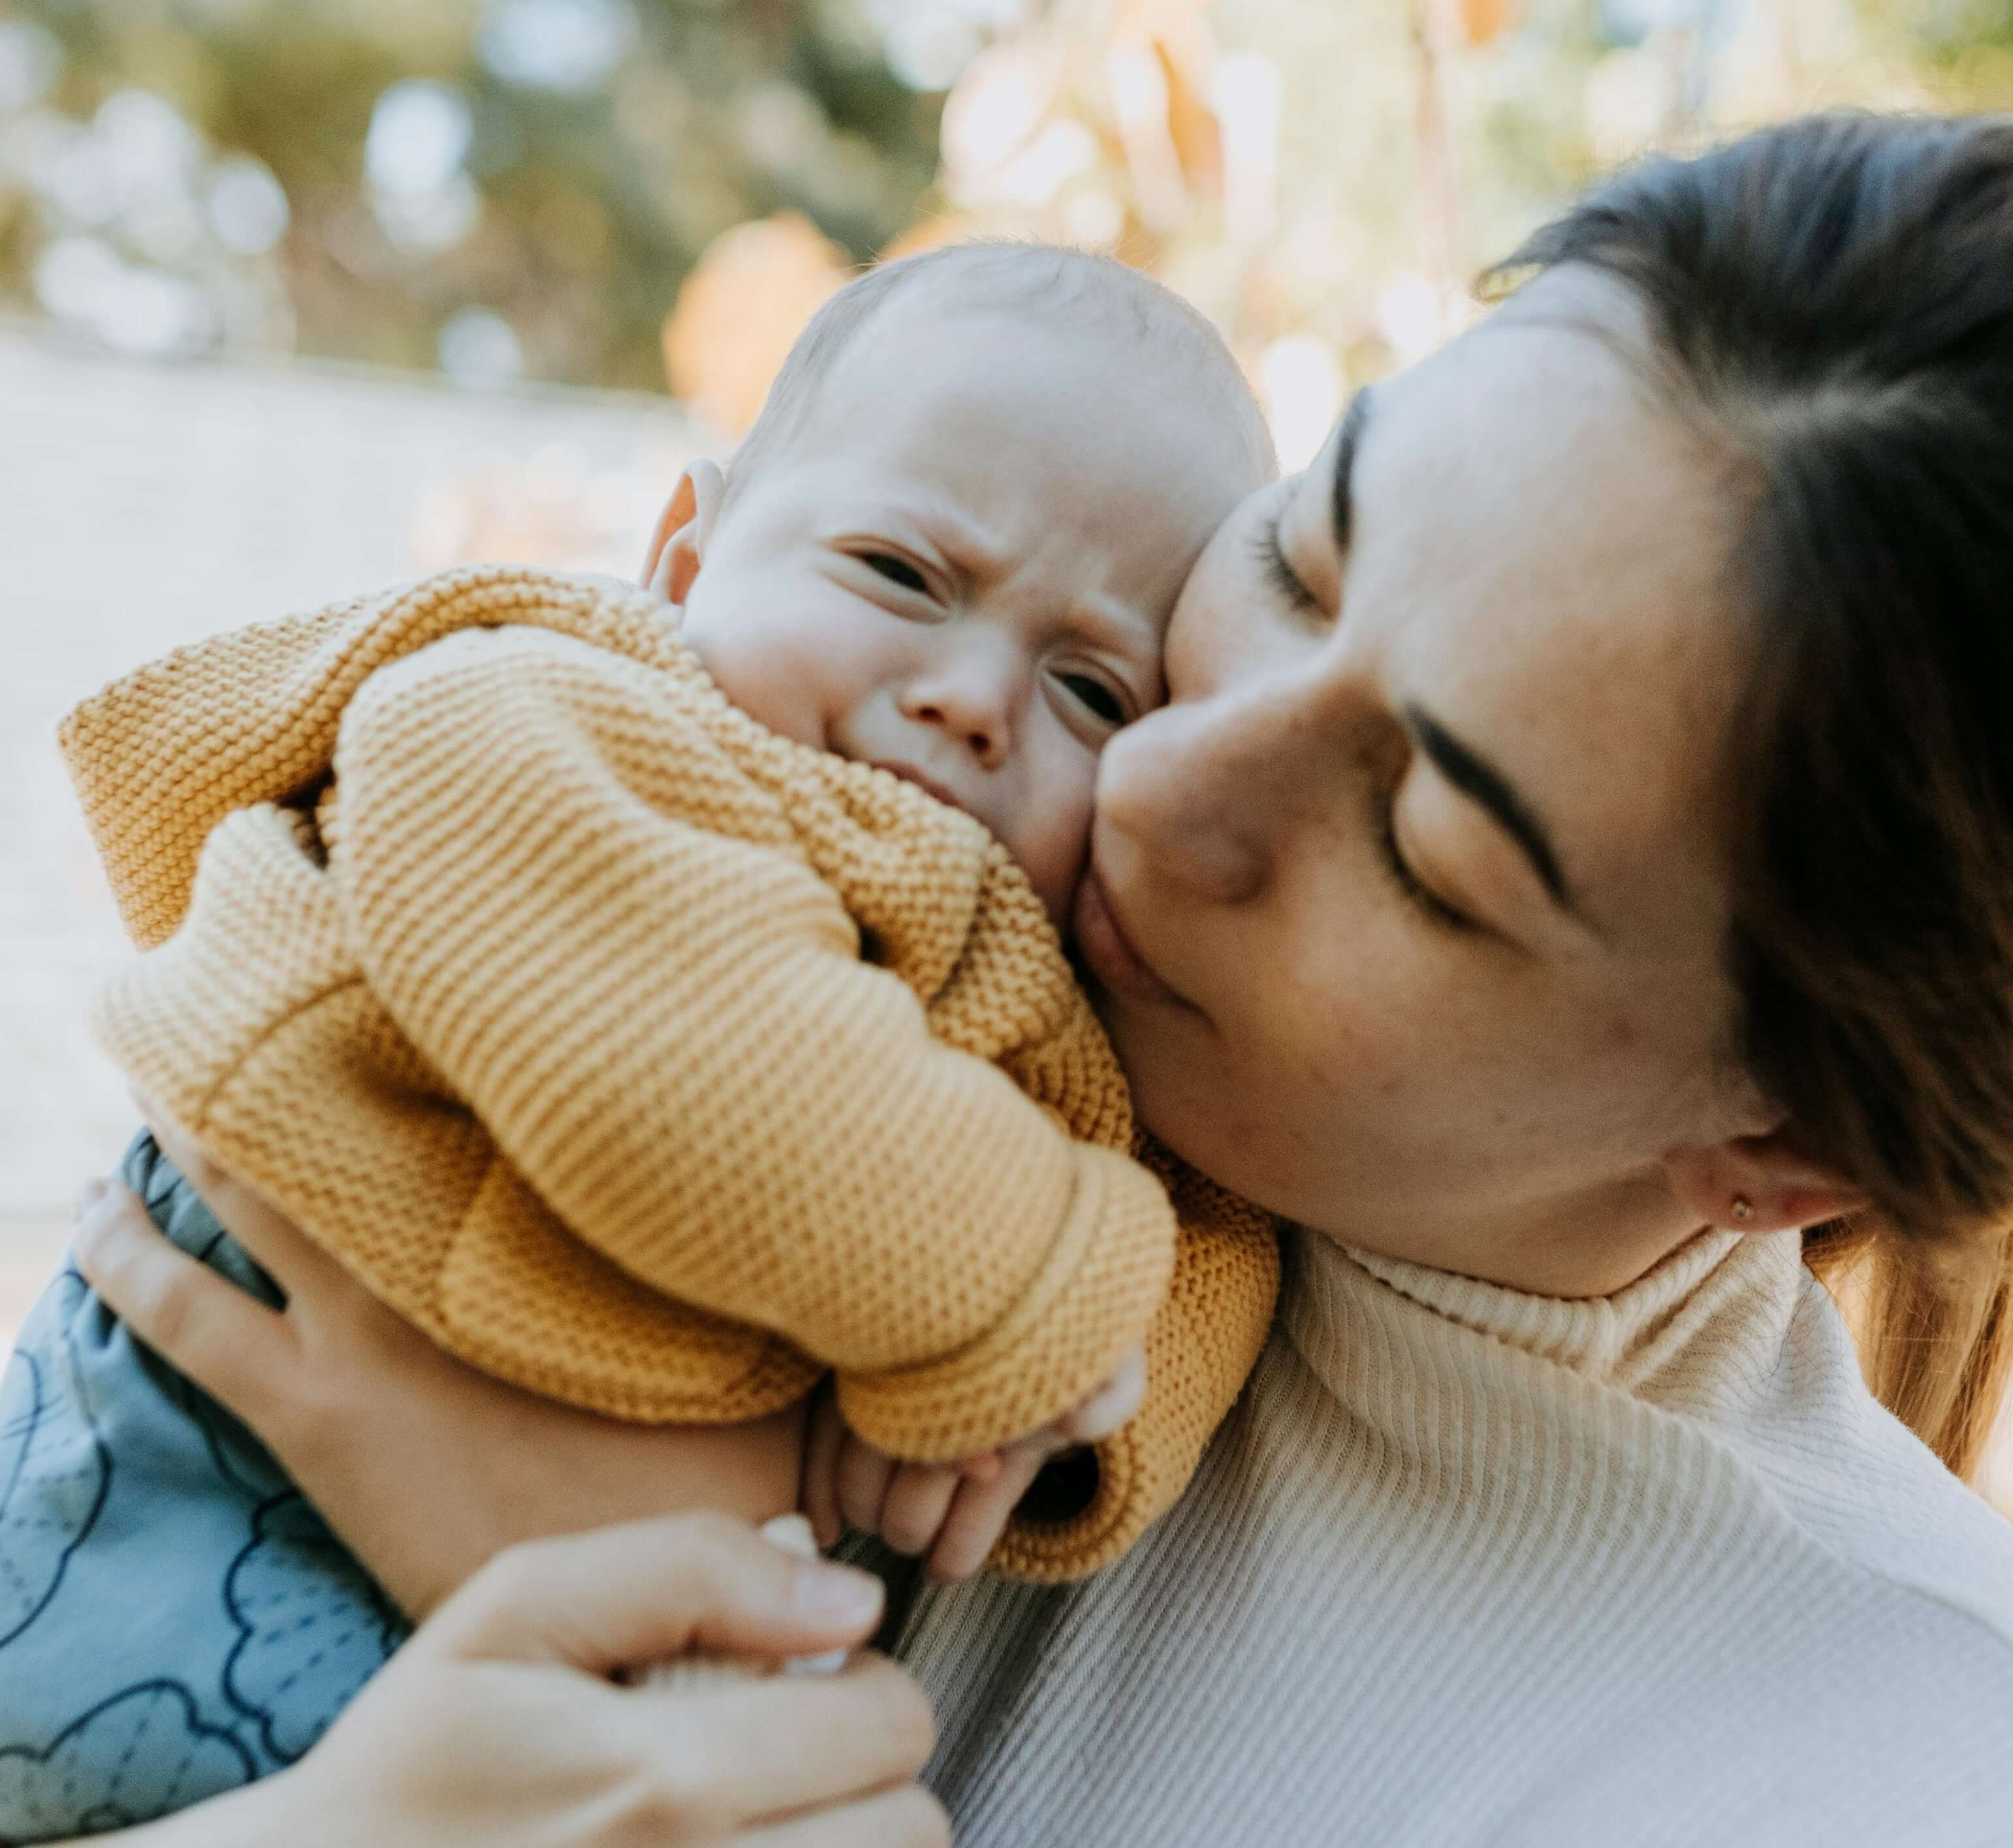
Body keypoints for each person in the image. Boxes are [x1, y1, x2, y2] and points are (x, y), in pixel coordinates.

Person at [56, 112, 2013, 1845]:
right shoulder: (857, 975)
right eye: (1301, 553)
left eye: (1422, 844)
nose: (1153, 782)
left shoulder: (1935, 1775)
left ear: (1777, 1146)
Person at [3, 244, 1279, 1840]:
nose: (969, 697)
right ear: (684, 560)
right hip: (176, 1519)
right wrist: (1030, 1302)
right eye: (898, 572)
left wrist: (1083, 1404)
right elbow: (687, 1068)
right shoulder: (535, 715)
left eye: (1092, 686)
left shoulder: (1030, 972)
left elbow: (1194, 1224)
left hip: (554, 1696)